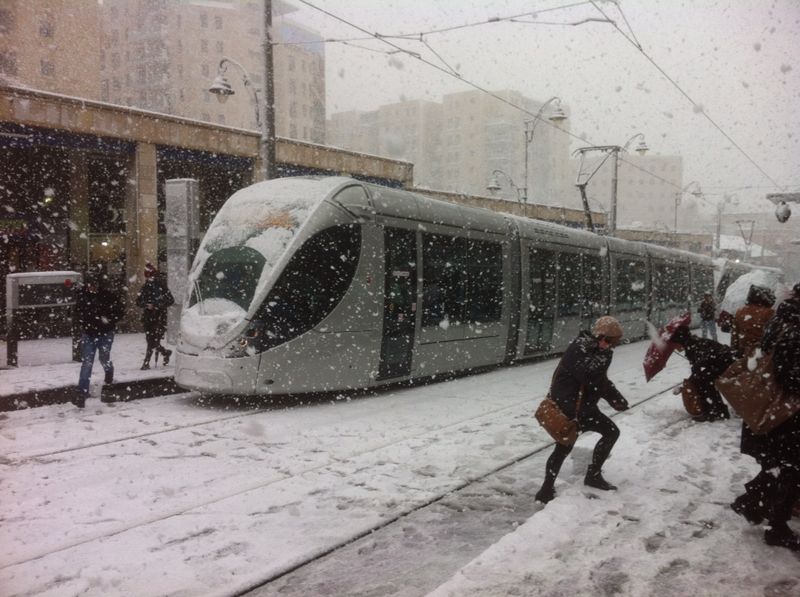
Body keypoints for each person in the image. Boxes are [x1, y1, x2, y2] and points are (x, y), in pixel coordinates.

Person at [731, 282, 800, 552]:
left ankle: (751, 503)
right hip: (785, 408)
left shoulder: (781, 318)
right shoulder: (793, 326)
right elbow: (789, 372)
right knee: (790, 466)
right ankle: (776, 526)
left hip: (772, 403)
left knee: (781, 463)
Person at [535, 316, 629, 504]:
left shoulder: (600, 352)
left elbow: (600, 380)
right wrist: (603, 357)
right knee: (564, 447)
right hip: (569, 408)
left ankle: (591, 476)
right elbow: (589, 377)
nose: (611, 347)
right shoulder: (579, 348)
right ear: (600, 337)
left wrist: (615, 398)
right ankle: (546, 490)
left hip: (584, 407)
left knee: (610, 433)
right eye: (610, 341)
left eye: (614, 343)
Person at [74, 266, 125, 408]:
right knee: (87, 363)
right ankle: (82, 394)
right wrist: (84, 323)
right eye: (90, 285)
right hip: (89, 334)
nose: (92, 288)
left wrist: (109, 319)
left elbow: (120, 310)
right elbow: (77, 312)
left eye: (94, 285)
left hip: (105, 333)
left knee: (104, 359)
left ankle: (108, 378)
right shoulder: (83, 295)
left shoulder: (108, 296)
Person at [669, 325, 733, 422]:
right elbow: (699, 366)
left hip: (724, 363)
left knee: (704, 381)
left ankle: (717, 411)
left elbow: (701, 365)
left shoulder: (693, 346)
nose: (675, 348)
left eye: (675, 344)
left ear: (680, 341)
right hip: (720, 362)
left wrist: (690, 382)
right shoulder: (692, 344)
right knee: (701, 380)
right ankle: (715, 410)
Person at [135, 262, 175, 370]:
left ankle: (146, 363)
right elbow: (138, 301)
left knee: (153, 341)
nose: (149, 279)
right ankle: (165, 352)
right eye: (147, 277)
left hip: (160, 317)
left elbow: (171, 300)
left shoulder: (161, 286)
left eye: (151, 276)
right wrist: (147, 305)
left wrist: (158, 305)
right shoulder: (145, 287)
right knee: (151, 340)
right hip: (148, 317)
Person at [730, 284, 775, 359]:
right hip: (760, 354)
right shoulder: (770, 313)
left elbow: (734, 335)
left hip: (742, 353)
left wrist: (734, 351)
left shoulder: (740, 311)